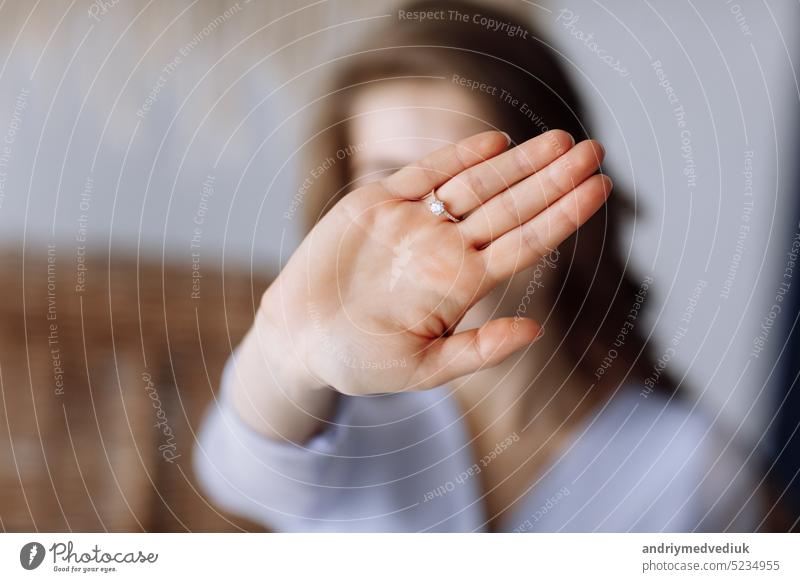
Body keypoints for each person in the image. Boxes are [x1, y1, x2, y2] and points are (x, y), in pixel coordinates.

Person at [194, 0, 763, 532]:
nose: (432, 228)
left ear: (563, 189)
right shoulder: (340, 409)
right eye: (392, 181)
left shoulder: (690, 466)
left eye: (473, 182)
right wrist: (290, 352)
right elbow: (238, 474)